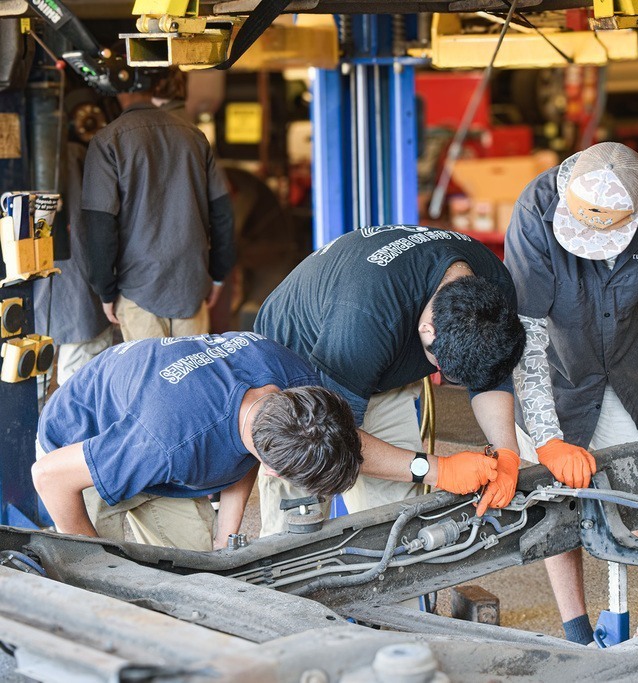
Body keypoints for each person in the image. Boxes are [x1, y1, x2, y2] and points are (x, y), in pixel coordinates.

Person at [503, 142, 638, 644]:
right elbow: (527, 336)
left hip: (630, 367)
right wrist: (547, 438)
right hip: (554, 374)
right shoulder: (537, 211)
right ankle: (576, 633)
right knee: (553, 502)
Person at [254, 225, 526, 532]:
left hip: (377, 363)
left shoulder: (495, 293)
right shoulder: (366, 318)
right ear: (428, 330)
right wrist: (438, 469)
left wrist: (506, 454)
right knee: (298, 529)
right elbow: (332, 439)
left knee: (396, 523)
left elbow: (491, 376)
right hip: (299, 377)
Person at [31, 332, 361, 551]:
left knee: (199, 573)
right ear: (273, 471)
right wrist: (89, 564)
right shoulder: (168, 442)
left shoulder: (292, 384)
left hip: (150, 420)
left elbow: (250, 448)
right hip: (80, 443)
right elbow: (48, 476)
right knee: (104, 581)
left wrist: (226, 537)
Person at [81, 70, 236, 341]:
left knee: (151, 380)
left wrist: (105, 290)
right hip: (191, 287)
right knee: (193, 377)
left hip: (138, 292)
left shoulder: (108, 140)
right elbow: (222, 213)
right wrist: (218, 275)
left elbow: (100, 225)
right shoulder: (194, 135)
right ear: (155, 87)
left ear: (118, 90)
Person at [33, 141, 112, 386]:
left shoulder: (14, 158)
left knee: (28, 389)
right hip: (80, 294)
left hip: (30, 296)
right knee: (79, 393)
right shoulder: (81, 154)